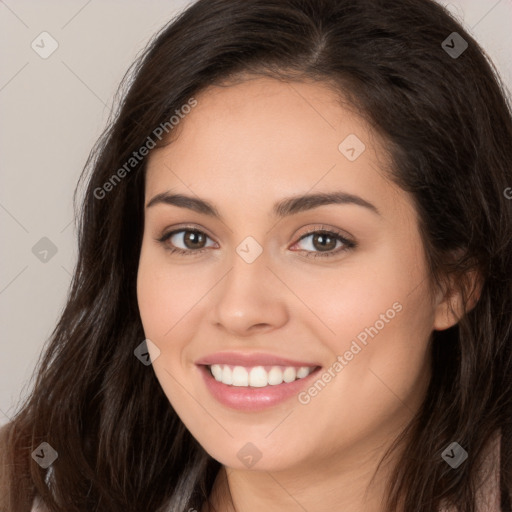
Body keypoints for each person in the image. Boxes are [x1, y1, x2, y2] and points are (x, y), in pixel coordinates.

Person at [1, 0, 511, 511]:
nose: (240, 309)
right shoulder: (20, 487)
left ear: (455, 280)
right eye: (191, 238)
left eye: (321, 240)